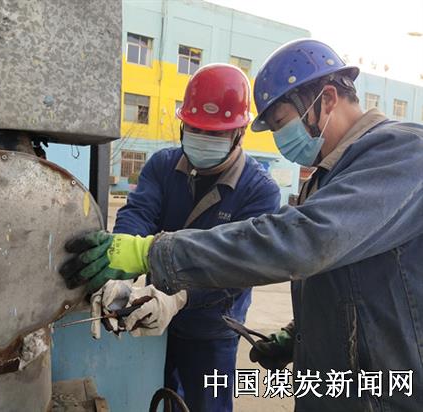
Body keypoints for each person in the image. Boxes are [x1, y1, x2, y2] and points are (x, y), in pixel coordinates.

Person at [61, 39, 423, 411]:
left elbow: (303, 242)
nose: (281, 140)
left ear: (327, 99)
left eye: (281, 123)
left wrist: (154, 257)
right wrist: (298, 336)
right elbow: (347, 282)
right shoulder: (326, 178)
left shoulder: (403, 152)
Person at [75, 63, 280, 412]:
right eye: (196, 129)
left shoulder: (259, 191)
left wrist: (177, 297)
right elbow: (139, 213)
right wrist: (120, 269)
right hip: (150, 312)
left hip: (212, 330)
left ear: (239, 132)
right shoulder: (163, 166)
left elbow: (238, 268)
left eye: (214, 133)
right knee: (159, 399)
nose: (202, 138)